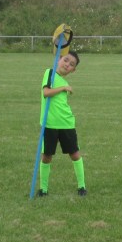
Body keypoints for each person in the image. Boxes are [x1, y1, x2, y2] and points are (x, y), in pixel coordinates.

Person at [38, 50, 87, 196]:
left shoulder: (65, 82)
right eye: (65, 60)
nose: (67, 65)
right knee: (46, 156)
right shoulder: (50, 73)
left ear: (73, 70)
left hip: (66, 124)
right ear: (59, 59)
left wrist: (64, 87)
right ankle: (43, 189)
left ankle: (82, 187)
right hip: (49, 124)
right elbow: (46, 93)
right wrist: (63, 88)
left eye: (71, 64)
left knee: (75, 154)